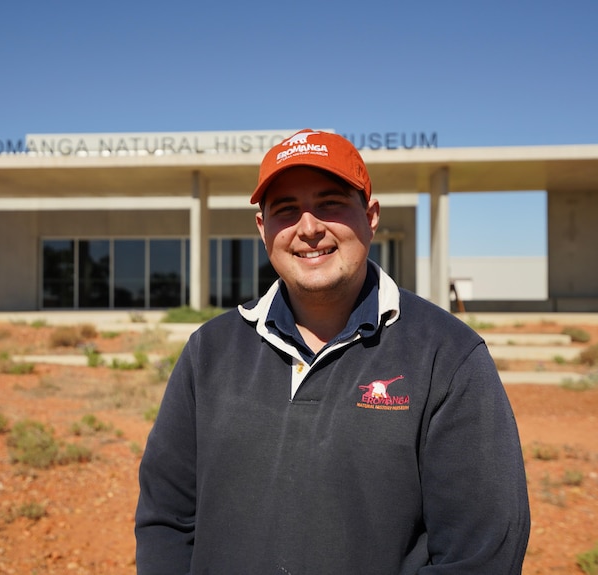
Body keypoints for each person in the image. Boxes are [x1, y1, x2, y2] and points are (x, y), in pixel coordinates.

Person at [135, 129, 530, 574]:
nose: (309, 228)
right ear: (263, 229)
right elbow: (165, 519)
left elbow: (480, 555)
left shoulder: (447, 356)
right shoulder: (209, 352)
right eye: (286, 210)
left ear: (371, 215)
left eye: (330, 204)